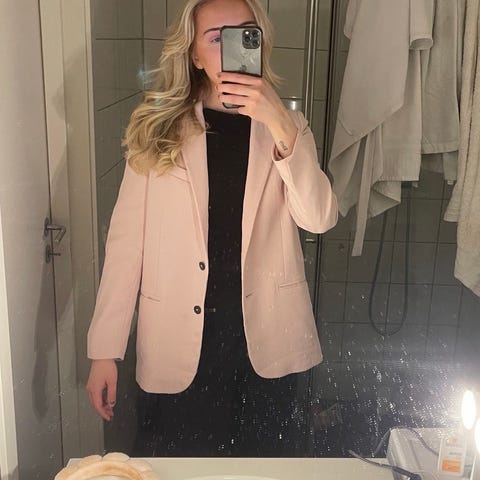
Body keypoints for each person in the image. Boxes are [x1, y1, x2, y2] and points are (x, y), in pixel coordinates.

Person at [86, 0, 338, 457]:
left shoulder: (289, 127)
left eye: (244, 33)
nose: (230, 48)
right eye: (215, 38)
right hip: (178, 341)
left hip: (268, 341)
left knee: (265, 466)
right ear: (194, 54)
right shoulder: (159, 127)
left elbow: (319, 218)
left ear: (260, 41)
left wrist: (279, 122)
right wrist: (105, 349)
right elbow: (126, 246)